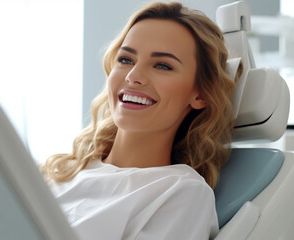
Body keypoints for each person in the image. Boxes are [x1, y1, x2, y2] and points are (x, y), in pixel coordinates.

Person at [41, 1, 239, 239]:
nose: (133, 76)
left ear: (201, 94)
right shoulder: (64, 172)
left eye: (163, 65)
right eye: (125, 60)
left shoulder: (181, 192)